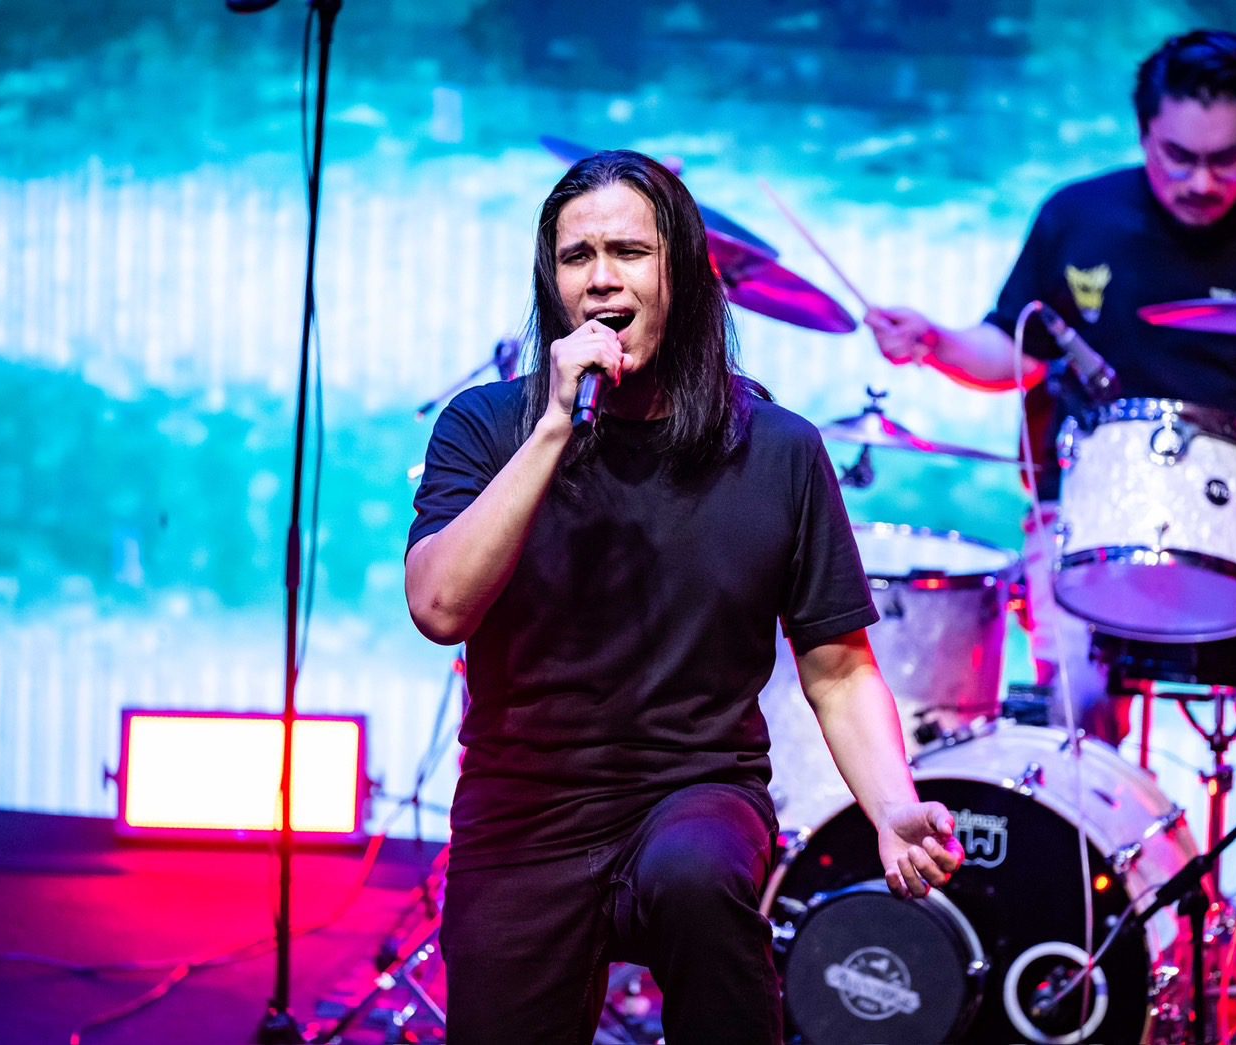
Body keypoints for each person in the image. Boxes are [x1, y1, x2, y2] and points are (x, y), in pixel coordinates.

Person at [405, 149, 963, 1044]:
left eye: (628, 252)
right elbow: (439, 610)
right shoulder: (486, 428)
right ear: (551, 283)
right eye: (576, 256)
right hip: (524, 805)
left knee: (697, 877)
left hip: (696, 787)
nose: (600, 278)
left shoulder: (776, 449)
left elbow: (838, 670)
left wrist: (891, 806)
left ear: (685, 276)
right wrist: (552, 429)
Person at [866, 30, 1236, 984]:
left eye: (1225, 159)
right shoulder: (1079, 217)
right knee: (1077, 706)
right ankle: (1089, 941)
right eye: (1177, 156)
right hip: (1090, 523)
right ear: (1144, 132)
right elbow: (1011, 351)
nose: (1199, 180)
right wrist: (934, 341)